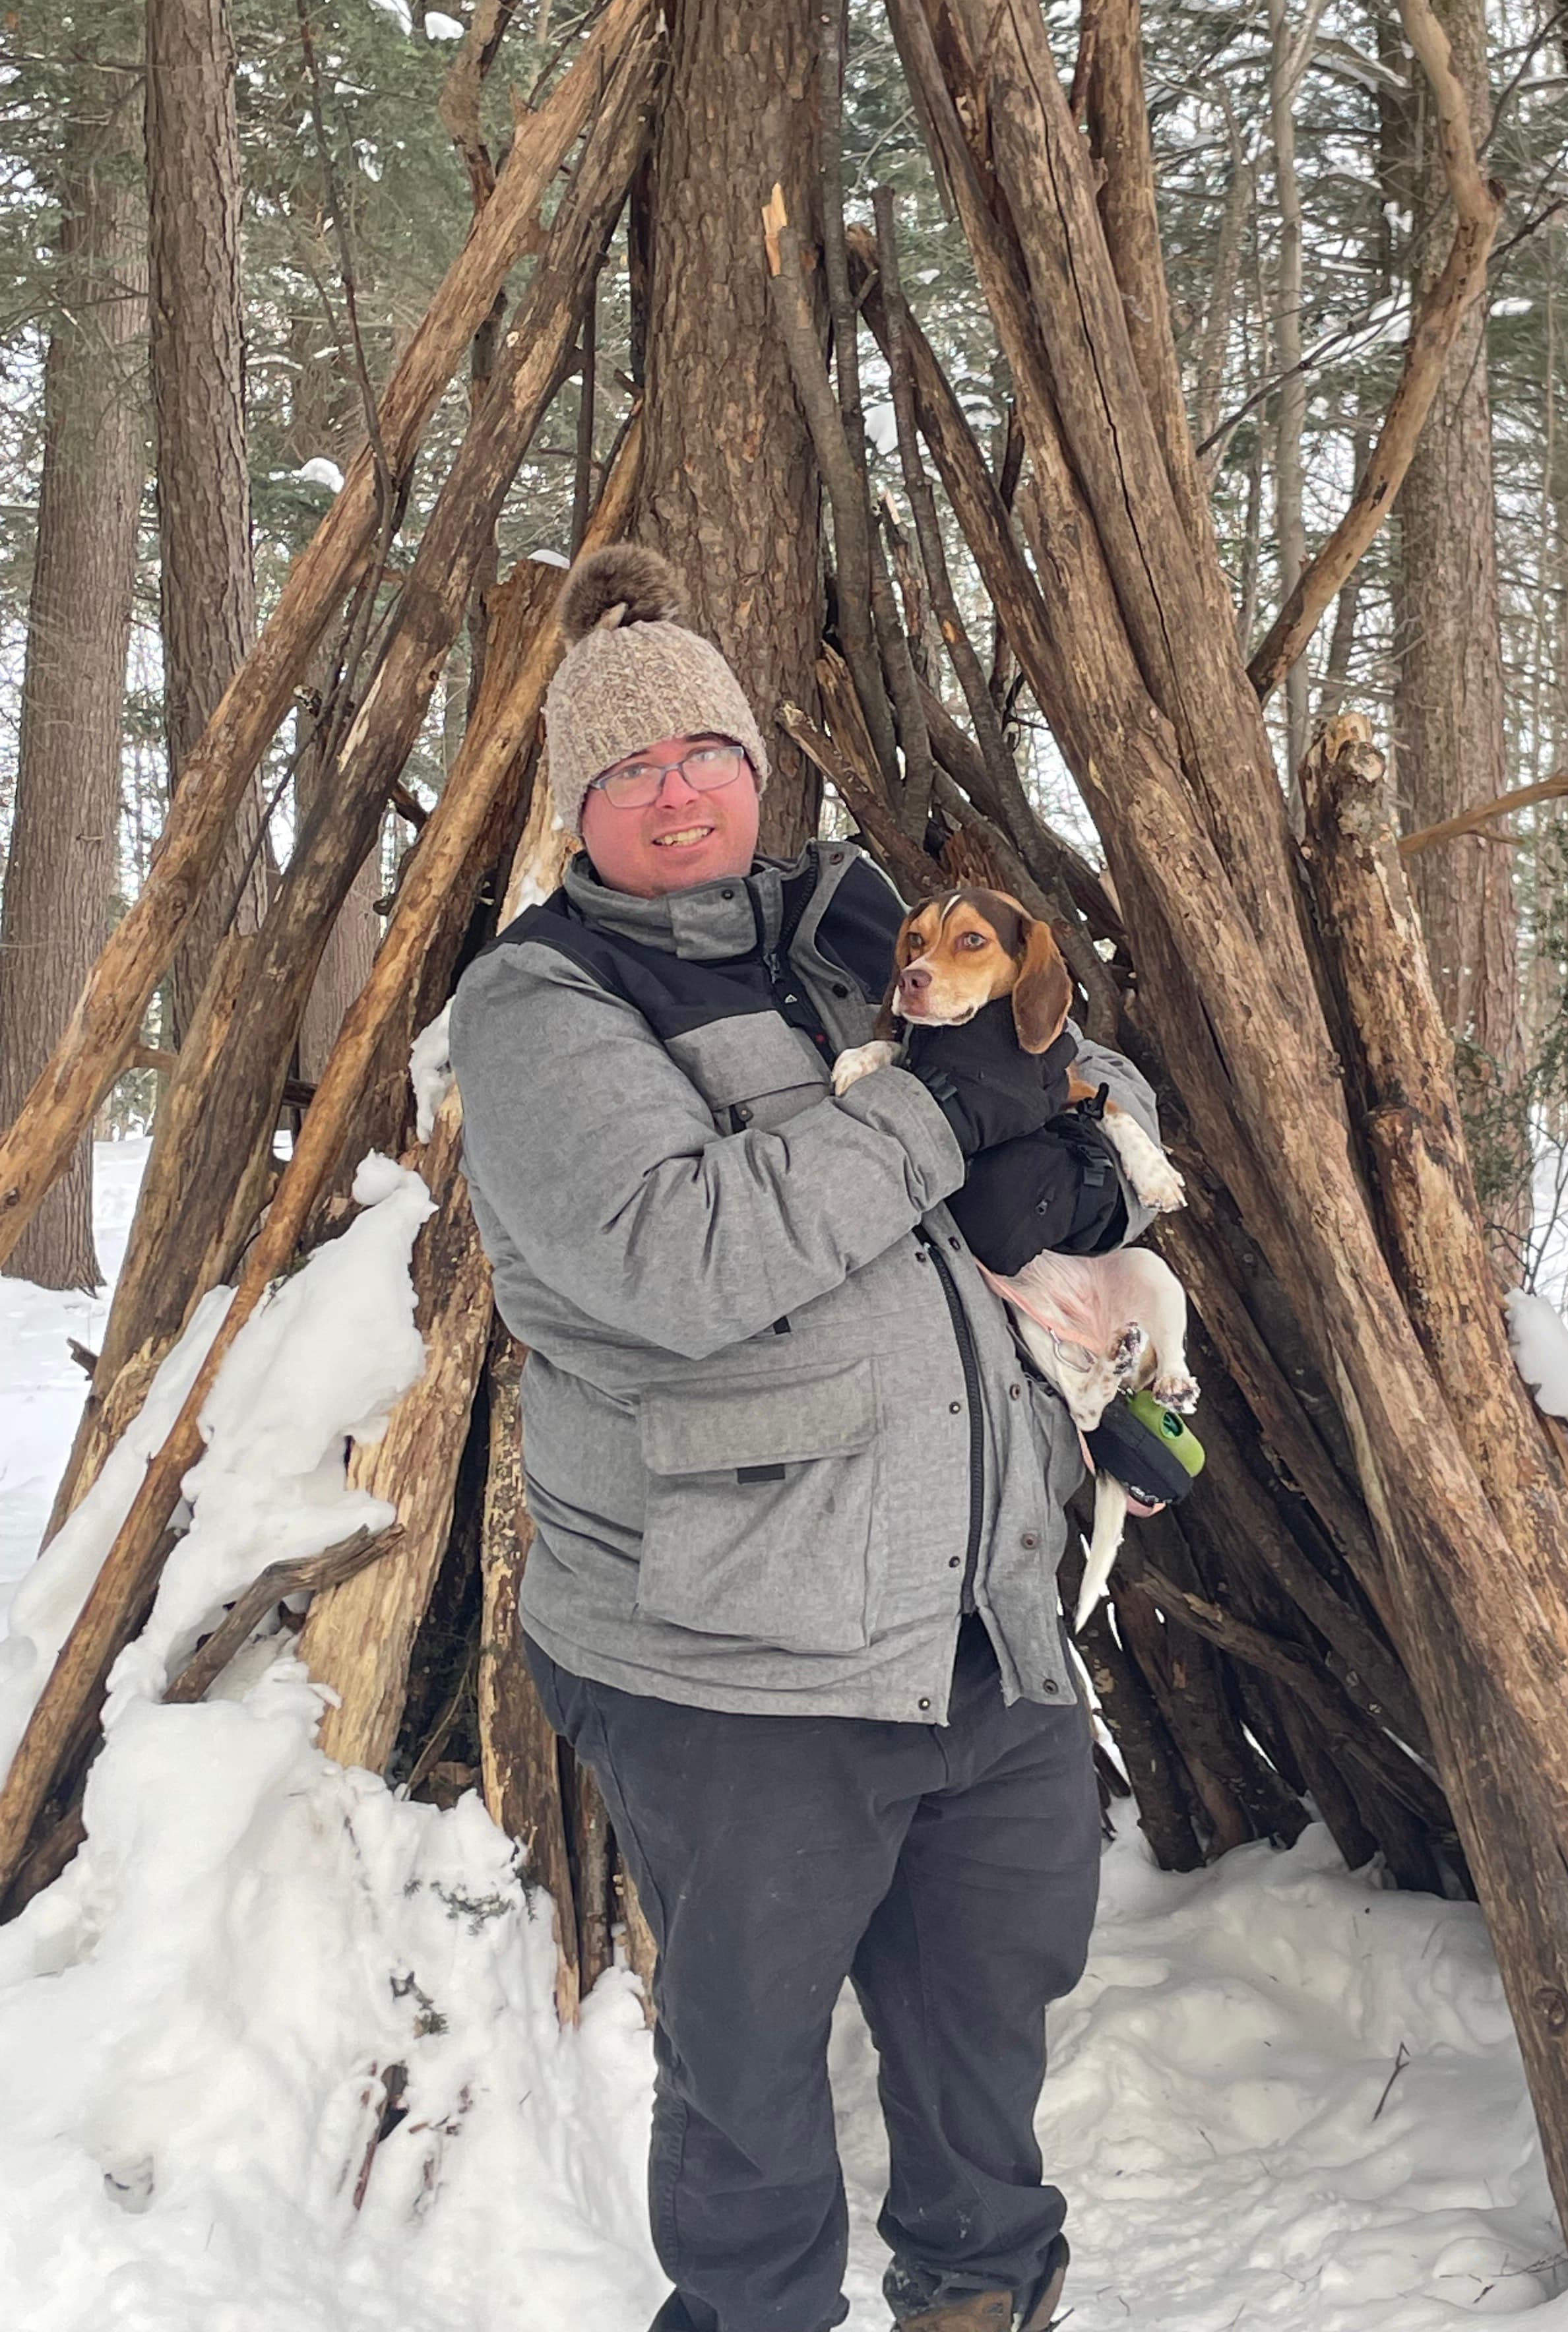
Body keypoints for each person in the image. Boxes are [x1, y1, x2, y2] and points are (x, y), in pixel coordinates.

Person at [449, 545, 1176, 2332]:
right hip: (736, 1656)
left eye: (704, 754)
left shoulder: (854, 920)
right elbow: (683, 1257)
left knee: (986, 2030)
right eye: (628, 773)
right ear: (577, 813)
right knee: (751, 2080)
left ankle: (981, 2302)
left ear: (757, 771)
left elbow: (1075, 1053)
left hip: (982, 1621)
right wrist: (943, 1112)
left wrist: (1086, 1158)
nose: (677, 792)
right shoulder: (545, 1006)